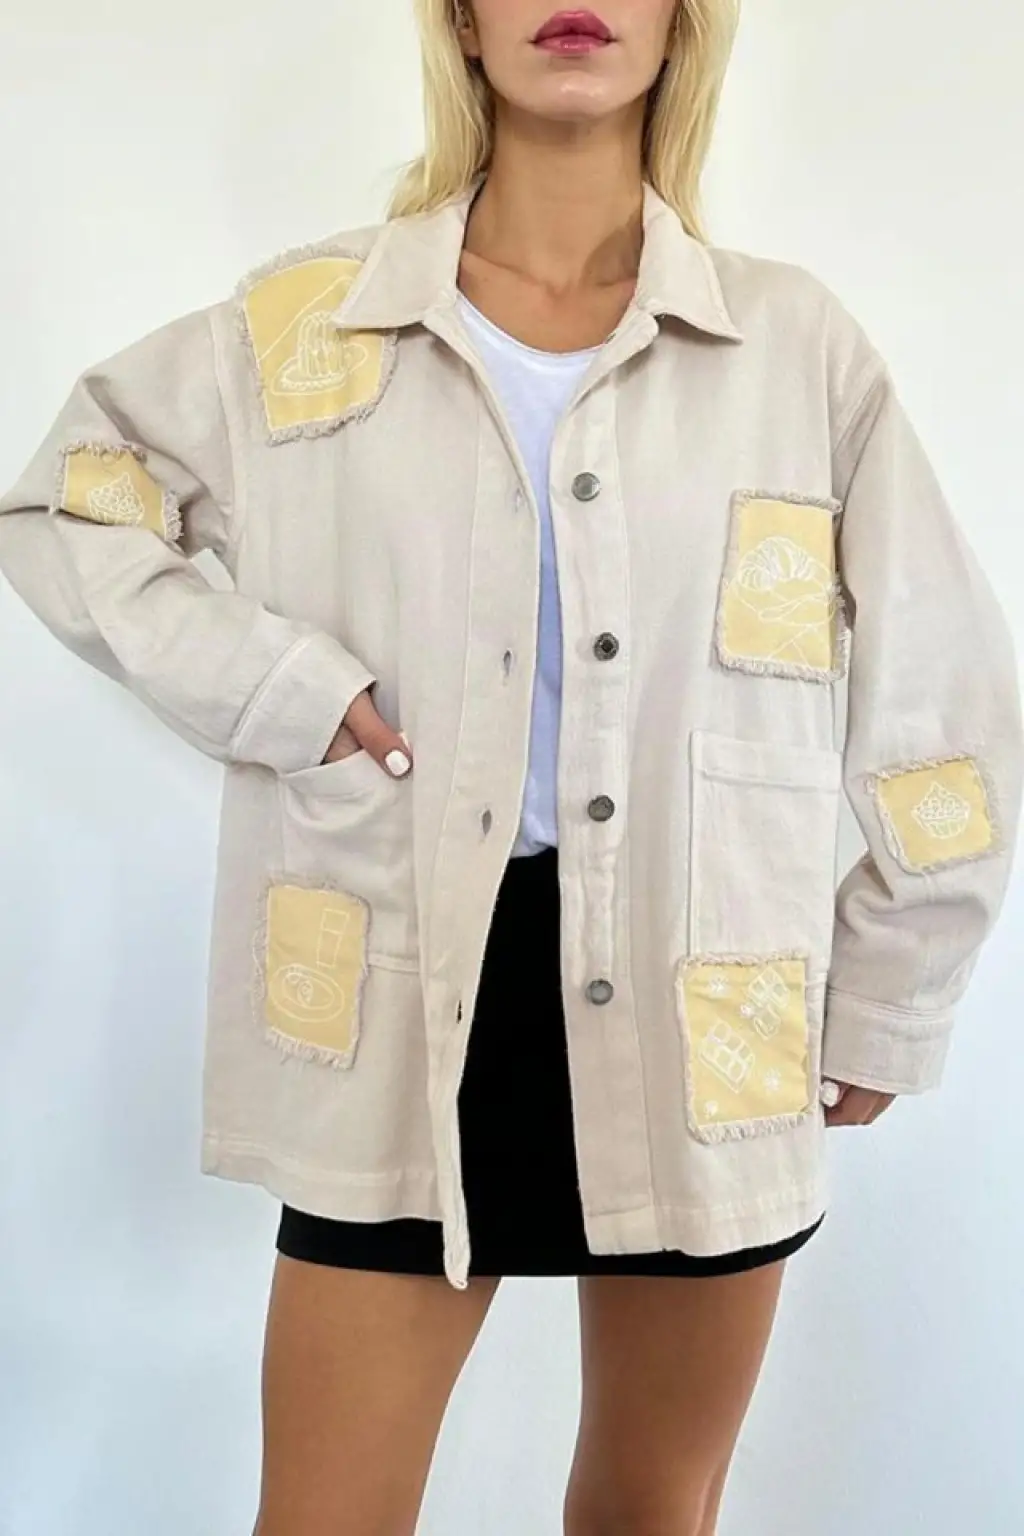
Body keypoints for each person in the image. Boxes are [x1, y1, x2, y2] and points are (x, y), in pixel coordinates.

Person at [1, 0, 1021, 1531]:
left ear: (683, 22)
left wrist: (896, 981)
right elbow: (69, 504)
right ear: (462, 21)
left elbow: (946, 687)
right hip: (402, 1000)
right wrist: (286, 690)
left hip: (705, 1003)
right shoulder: (311, 323)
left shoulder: (789, 345)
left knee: (650, 1511)